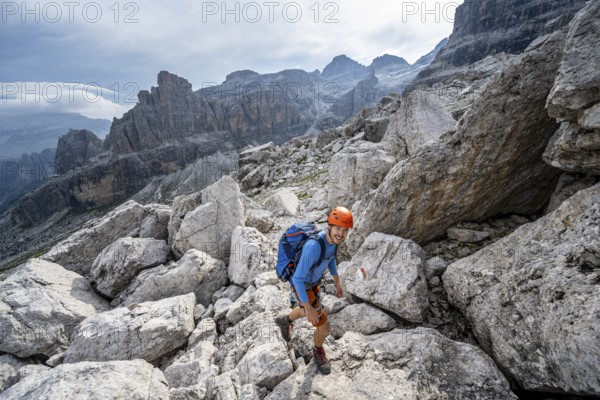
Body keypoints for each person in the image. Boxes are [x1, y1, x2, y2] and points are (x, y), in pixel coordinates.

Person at [274, 206, 354, 375]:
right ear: (330, 226)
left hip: (312, 282)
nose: (341, 234)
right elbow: (297, 278)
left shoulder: (332, 242)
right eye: (338, 228)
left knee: (307, 310)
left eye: (345, 231)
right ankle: (318, 350)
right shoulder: (313, 247)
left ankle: (285, 320)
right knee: (323, 327)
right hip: (303, 283)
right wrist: (309, 306)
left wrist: (337, 281)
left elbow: (330, 258)